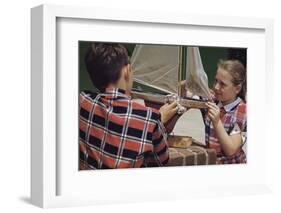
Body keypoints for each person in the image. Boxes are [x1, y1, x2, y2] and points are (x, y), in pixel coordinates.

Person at [79, 43, 178, 169]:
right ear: (127, 70)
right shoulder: (149, 118)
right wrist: (160, 119)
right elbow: (161, 161)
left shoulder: (82, 101)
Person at [204, 59, 247, 164]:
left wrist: (217, 122)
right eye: (216, 81)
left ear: (237, 88)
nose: (216, 87)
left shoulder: (242, 112)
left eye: (222, 84)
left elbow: (231, 149)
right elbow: (190, 93)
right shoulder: (213, 100)